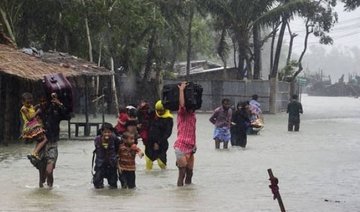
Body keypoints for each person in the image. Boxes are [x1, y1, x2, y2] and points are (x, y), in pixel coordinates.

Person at [37, 93, 68, 188]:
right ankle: (43, 195)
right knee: (42, 177)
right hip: (41, 145)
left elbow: (68, 115)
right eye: (41, 101)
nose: (43, 103)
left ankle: (50, 190)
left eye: (44, 101)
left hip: (52, 144)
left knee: (49, 171)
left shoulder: (56, 112)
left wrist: (60, 104)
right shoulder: (38, 112)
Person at [174, 82, 197, 186]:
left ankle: (188, 193)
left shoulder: (193, 115)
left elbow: (193, 130)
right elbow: (182, 104)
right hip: (181, 146)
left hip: (191, 147)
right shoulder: (182, 113)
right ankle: (180, 194)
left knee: (190, 174)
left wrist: (194, 144)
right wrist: (181, 90)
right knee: (182, 173)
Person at [145, 100, 173, 170]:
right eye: (158, 110)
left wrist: (158, 143)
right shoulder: (153, 114)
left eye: (161, 111)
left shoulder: (168, 119)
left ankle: (164, 176)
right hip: (150, 143)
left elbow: (168, 133)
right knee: (148, 162)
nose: (159, 112)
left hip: (161, 144)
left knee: (161, 163)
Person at [20, 92, 47, 162]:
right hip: (31, 126)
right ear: (23, 102)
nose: (29, 104)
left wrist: (37, 106)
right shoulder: (23, 108)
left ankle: (35, 153)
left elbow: (32, 109)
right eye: (27, 103)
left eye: (30, 102)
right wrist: (37, 112)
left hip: (34, 125)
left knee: (40, 139)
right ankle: (35, 153)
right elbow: (29, 118)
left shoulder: (30, 106)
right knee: (45, 139)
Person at [92, 122, 119, 189]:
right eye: (105, 132)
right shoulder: (97, 139)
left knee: (113, 183)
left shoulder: (114, 138)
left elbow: (118, 148)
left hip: (111, 163)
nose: (107, 134)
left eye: (109, 132)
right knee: (97, 182)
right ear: (101, 132)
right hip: (100, 164)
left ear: (112, 132)